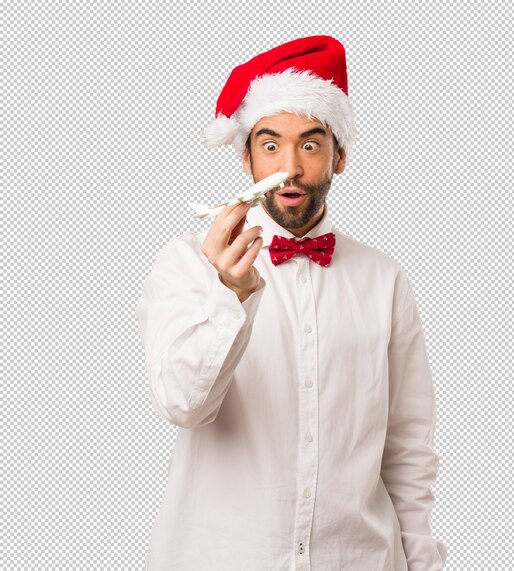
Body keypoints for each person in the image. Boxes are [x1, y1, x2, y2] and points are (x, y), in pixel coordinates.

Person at [135, 35, 447, 570]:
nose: (290, 169)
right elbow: (185, 405)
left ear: (339, 155)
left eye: (309, 144)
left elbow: (407, 448)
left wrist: (421, 561)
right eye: (270, 144)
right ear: (246, 158)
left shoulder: (385, 279)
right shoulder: (187, 263)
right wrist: (230, 296)